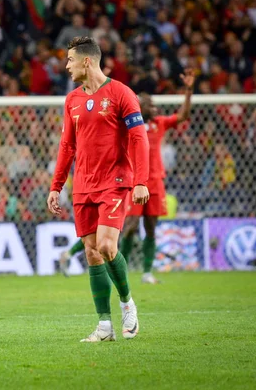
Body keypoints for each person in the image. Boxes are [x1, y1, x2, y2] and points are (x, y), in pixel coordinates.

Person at [47, 37, 150, 342]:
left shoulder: (121, 93)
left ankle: (127, 303)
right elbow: (67, 146)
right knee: (92, 253)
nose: (66, 66)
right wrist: (56, 186)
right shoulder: (72, 100)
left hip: (116, 182)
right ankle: (104, 326)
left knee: (107, 246)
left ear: (86, 61)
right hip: (84, 186)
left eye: (69, 60)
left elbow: (138, 138)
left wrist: (141, 180)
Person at [121, 69, 196, 284]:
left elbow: (183, 115)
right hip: (134, 183)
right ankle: (121, 270)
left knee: (151, 226)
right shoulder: (128, 126)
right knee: (131, 225)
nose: (154, 107)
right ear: (139, 107)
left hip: (155, 182)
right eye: (149, 104)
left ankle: (146, 272)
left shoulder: (159, 123)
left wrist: (189, 90)